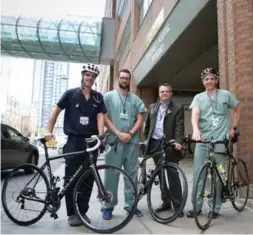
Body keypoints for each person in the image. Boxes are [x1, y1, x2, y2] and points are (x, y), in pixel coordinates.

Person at [46, 63, 107, 226]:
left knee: (88, 179)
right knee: (71, 178)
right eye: (87, 75)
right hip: (74, 141)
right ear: (82, 75)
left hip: (91, 142)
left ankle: (82, 212)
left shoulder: (98, 97)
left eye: (93, 76)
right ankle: (72, 213)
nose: (90, 78)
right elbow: (56, 111)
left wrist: (101, 135)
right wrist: (49, 131)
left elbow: (101, 116)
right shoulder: (70, 94)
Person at [187, 68, 241, 219]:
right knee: (199, 174)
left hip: (220, 141)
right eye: (206, 79)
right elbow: (195, 114)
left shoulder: (225, 95)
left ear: (216, 80)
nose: (209, 81)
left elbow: (238, 108)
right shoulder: (198, 97)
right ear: (203, 81)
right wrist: (196, 130)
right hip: (203, 141)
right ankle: (196, 206)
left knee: (218, 175)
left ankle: (215, 207)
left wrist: (233, 127)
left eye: (212, 78)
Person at [102, 68, 147, 220]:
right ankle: (107, 206)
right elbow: (105, 117)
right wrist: (118, 133)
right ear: (118, 79)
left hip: (131, 142)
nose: (125, 80)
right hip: (114, 142)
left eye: (127, 78)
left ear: (130, 81)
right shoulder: (108, 97)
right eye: (122, 78)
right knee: (111, 175)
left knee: (131, 175)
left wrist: (130, 133)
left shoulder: (136, 100)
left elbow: (140, 119)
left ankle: (131, 205)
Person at [144, 83, 185, 218]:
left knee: (172, 173)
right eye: (162, 92)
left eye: (167, 92)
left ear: (171, 94)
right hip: (155, 143)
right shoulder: (152, 107)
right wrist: (147, 139)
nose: (164, 94)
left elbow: (179, 126)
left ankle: (177, 205)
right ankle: (166, 202)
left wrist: (178, 142)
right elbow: (148, 125)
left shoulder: (177, 108)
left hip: (169, 144)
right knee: (160, 174)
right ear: (159, 94)